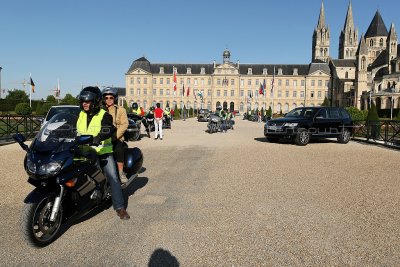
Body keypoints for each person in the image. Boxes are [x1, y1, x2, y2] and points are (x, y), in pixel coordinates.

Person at [77, 86, 130, 220]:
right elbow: (72, 128)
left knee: (113, 177)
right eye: (83, 101)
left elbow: (108, 129)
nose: (84, 103)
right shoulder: (81, 114)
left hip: (103, 151)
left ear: (95, 102)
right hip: (85, 151)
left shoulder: (104, 114)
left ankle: (120, 207)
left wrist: (99, 137)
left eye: (87, 101)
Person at [102, 87, 129, 184]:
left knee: (118, 148)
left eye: (111, 98)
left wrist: (115, 137)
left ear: (115, 98)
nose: (108, 100)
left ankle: (121, 172)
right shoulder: (100, 110)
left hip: (116, 136)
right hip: (103, 136)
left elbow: (124, 124)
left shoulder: (121, 110)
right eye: (106, 98)